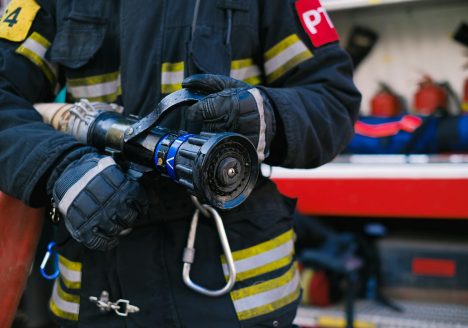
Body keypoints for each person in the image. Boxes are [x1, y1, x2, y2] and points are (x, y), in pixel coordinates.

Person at [0, 0, 360, 326]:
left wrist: (265, 114)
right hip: (102, 292)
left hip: (237, 300)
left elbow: (332, 100)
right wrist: (60, 166)